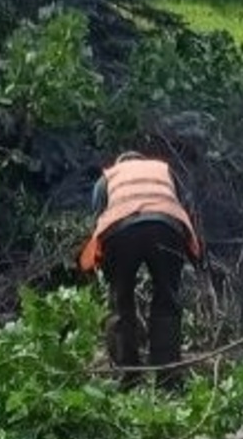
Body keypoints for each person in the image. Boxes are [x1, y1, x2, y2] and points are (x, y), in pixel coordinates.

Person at [78, 149, 203, 386]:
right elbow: (183, 205)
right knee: (167, 300)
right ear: (142, 162)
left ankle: (128, 377)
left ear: (120, 163)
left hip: (120, 228)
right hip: (167, 226)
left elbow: (97, 217)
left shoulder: (107, 177)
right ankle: (168, 378)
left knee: (120, 300)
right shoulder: (163, 170)